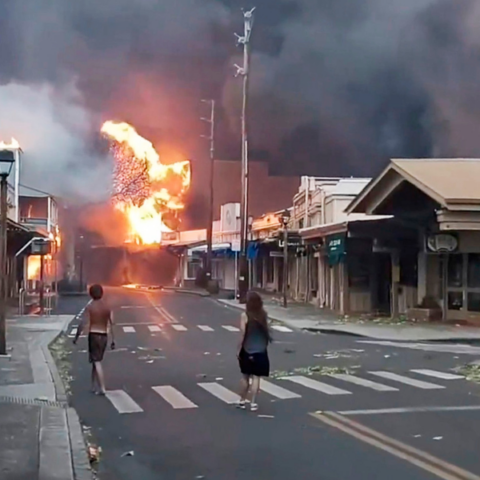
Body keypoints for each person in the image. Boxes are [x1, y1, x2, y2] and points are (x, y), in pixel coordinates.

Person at [73, 284, 115, 395]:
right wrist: (113, 340)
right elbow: (112, 323)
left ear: (91, 294)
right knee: (94, 360)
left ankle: (102, 388)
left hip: (94, 335)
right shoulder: (107, 306)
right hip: (104, 336)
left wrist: (76, 337)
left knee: (96, 361)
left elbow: (83, 323)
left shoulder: (90, 307)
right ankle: (93, 386)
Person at [237, 291, 272, 411]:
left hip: (247, 349)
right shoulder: (263, 315)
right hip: (261, 350)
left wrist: (238, 348)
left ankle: (242, 400)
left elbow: (243, 333)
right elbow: (266, 331)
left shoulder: (245, 315)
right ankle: (253, 403)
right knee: (256, 378)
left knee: (245, 377)